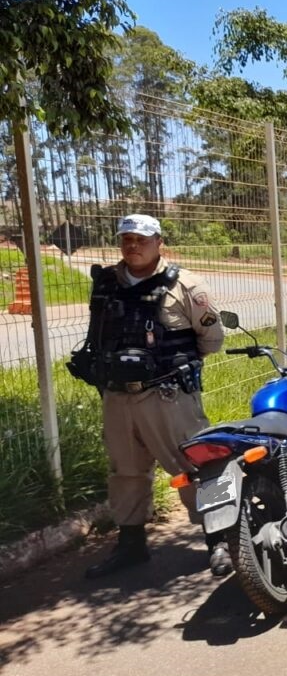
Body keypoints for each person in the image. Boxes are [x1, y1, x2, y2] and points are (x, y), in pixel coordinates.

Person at [68, 214, 229, 579]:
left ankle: (219, 538)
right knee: (125, 471)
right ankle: (131, 545)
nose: (133, 245)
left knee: (193, 464)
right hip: (116, 396)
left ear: (159, 243)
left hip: (168, 396)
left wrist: (171, 366)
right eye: (126, 239)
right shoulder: (106, 283)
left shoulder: (185, 285)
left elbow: (212, 339)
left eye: (141, 239)